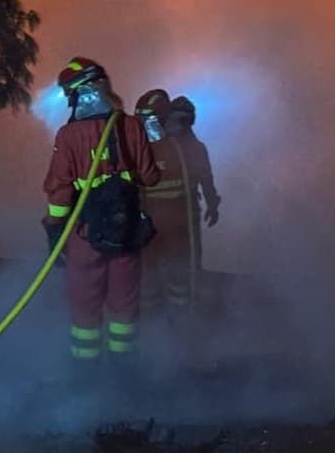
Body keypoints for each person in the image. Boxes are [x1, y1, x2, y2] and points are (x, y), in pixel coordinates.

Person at [42, 58, 160, 371]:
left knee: (85, 306)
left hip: (85, 235)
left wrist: (54, 229)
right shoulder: (131, 126)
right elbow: (150, 177)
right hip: (127, 233)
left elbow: (59, 193)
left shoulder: (68, 136)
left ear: (77, 93)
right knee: (124, 304)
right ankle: (123, 370)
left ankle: (86, 374)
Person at [134, 89, 193, 315]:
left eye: (148, 120)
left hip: (173, 225)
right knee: (148, 273)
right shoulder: (139, 149)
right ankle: (154, 316)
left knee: (176, 272)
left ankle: (178, 317)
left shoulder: (180, 148)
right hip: (150, 226)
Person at [166, 96, 220, 280]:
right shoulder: (192, 148)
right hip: (177, 216)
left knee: (186, 261)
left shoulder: (194, 148)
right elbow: (207, 181)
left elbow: (206, 179)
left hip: (184, 214)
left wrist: (212, 205)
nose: (179, 125)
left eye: (183, 120)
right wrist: (212, 205)